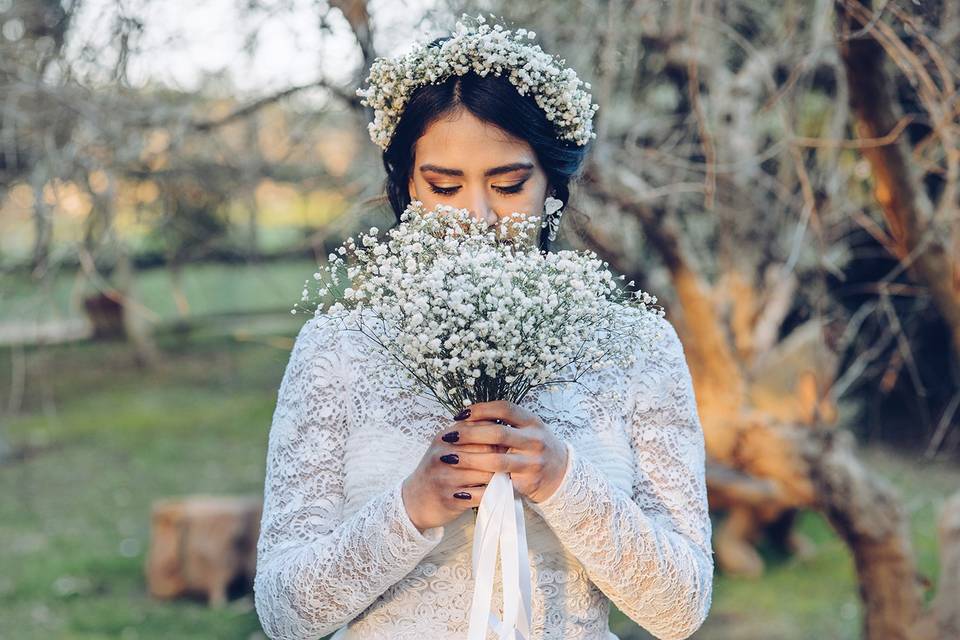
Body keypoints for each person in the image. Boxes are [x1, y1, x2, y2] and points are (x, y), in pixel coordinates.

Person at [253, 14, 713, 640]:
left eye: (508, 183)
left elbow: (681, 608)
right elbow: (283, 615)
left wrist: (562, 480)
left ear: (553, 183)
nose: (475, 215)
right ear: (404, 186)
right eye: (443, 185)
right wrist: (411, 508)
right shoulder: (340, 346)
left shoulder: (634, 346)